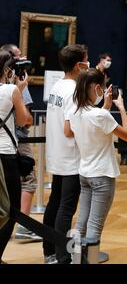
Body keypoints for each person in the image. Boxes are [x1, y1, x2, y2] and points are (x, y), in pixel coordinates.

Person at [65, 69, 127, 253]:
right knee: (95, 227)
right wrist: (121, 107)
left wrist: (107, 105)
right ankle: (91, 259)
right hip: (102, 175)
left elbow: (95, 124)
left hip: (85, 174)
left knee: (81, 222)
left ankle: (76, 258)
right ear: (96, 88)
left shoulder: (74, 111)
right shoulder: (99, 115)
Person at [43, 44, 89, 264]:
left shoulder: (57, 86)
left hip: (57, 154)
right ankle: (63, 258)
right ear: (79, 64)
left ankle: (49, 251)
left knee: (55, 203)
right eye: (86, 61)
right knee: (66, 208)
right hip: (71, 157)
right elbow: (71, 129)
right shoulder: (73, 90)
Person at [0, 44, 41, 242]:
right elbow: (25, 120)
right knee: (13, 206)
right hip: (7, 150)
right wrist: (20, 89)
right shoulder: (11, 89)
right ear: (7, 70)